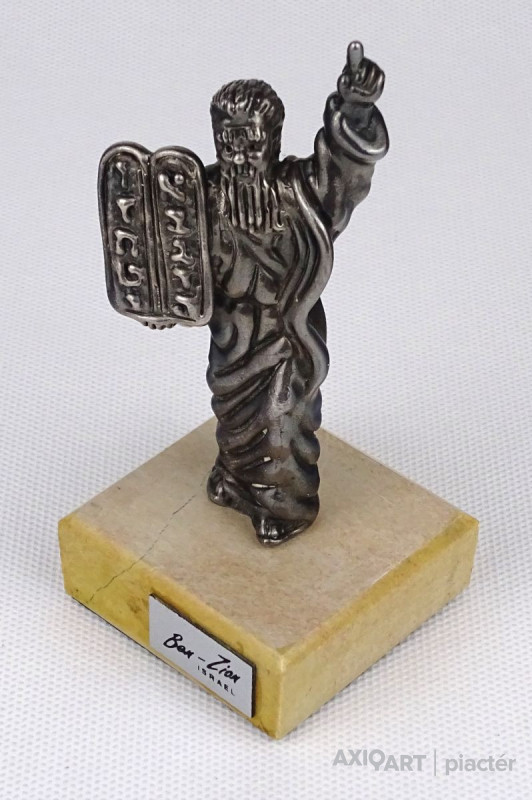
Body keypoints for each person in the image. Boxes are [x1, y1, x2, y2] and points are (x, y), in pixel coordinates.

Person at [204, 41, 389, 545]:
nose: (238, 156)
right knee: (232, 419)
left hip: (285, 335)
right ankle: (236, 481)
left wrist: (355, 111)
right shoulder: (205, 193)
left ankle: (286, 507)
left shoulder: (297, 192)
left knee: (279, 419)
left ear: (273, 138)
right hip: (232, 335)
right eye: (226, 143)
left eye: (250, 142)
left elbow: (343, 176)